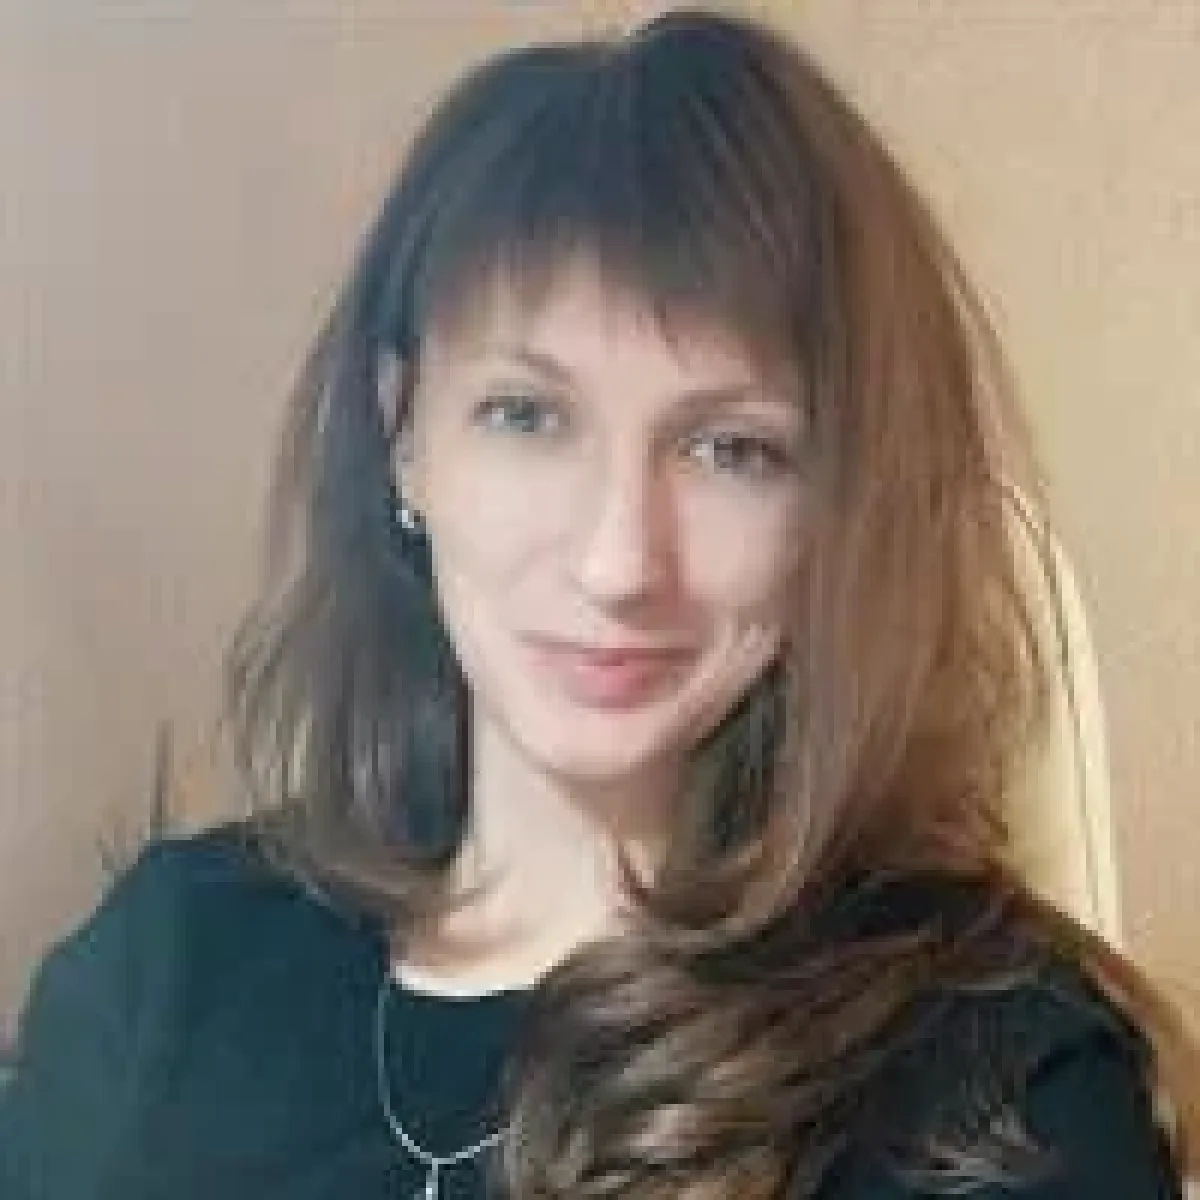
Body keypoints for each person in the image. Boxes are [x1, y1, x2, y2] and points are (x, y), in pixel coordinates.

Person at [1, 7, 1193, 1198]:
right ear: (403, 433)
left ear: (838, 506)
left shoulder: (1002, 1093)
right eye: (527, 416)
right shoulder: (162, 975)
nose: (620, 562)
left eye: (732, 450)